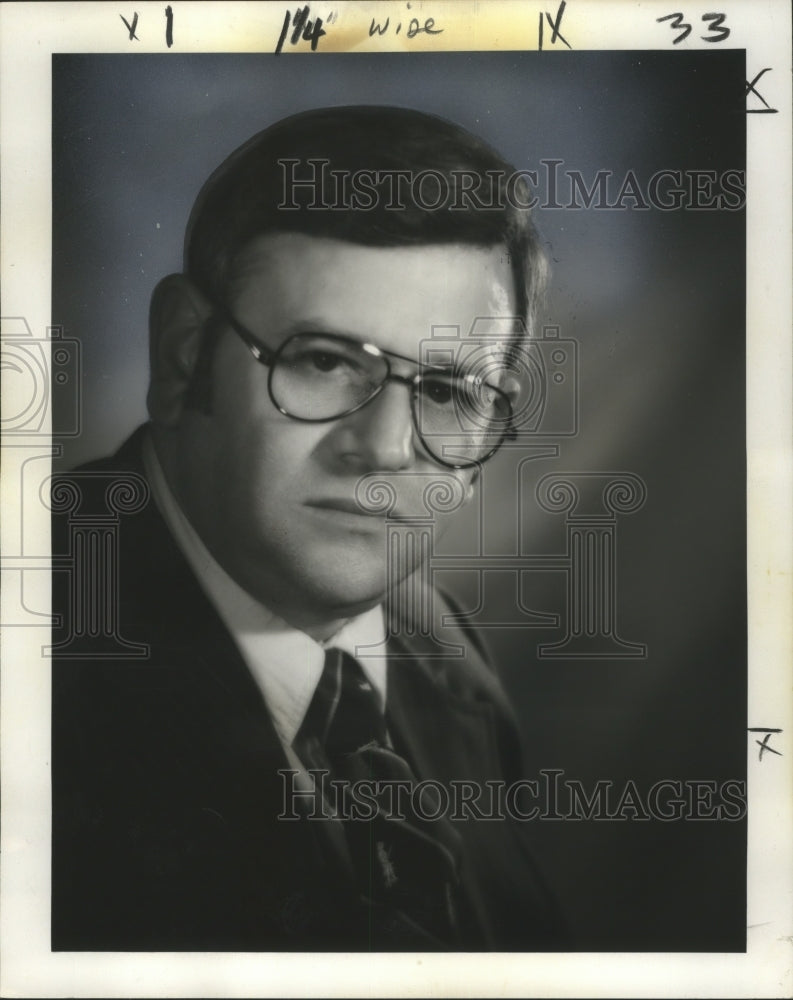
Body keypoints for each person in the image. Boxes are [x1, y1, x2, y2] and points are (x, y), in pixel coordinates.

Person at [50, 105, 566, 951]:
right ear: (184, 356)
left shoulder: (448, 657)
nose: (386, 449)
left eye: (447, 392)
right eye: (325, 362)